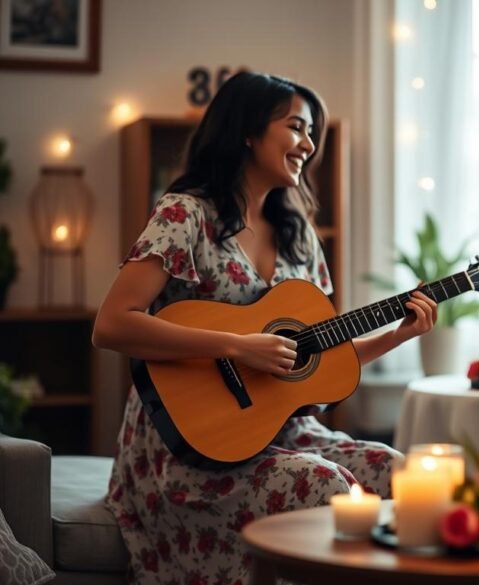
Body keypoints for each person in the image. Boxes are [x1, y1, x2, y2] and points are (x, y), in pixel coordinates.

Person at [93, 72, 437, 584]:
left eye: (313, 131)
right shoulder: (185, 215)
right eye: (296, 127)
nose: (309, 144)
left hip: (283, 431)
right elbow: (112, 325)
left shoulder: (300, 238)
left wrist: (398, 334)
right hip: (188, 447)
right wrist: (237, 346)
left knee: (403, 474)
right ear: (249, 130)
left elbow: (318, 361)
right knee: (326, 486)